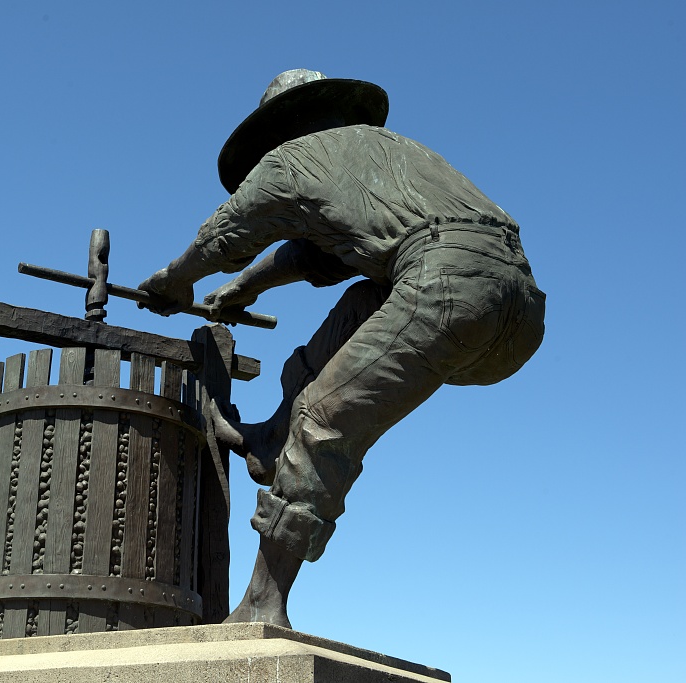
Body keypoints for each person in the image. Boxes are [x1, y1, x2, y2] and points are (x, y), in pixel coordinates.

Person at [138, 69, 546, 628]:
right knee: (363, 301)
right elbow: (315, 259)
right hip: (519, 311)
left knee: (324, 418)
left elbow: (226, 234)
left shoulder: (291, 159)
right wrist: (243, 289)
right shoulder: (389, 153)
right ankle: (267, 439)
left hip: (447, 283)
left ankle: (263, 603)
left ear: (278, 128)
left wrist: (177, 279)